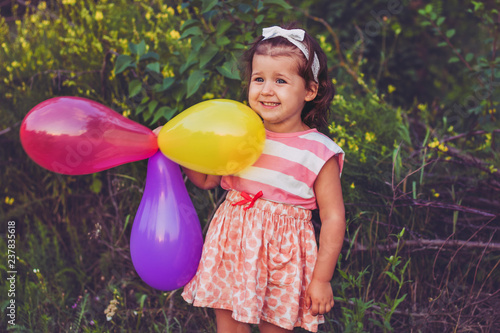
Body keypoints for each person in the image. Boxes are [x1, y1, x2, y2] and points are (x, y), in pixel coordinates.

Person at [171, 24, 345, 333]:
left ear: (310, 90)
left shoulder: (319, 151)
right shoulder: (240, 133)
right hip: (232, 247)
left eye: (280, 80)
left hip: (282, 258)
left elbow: (333, 217)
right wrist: (179, 151)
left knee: (275, 327)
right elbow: (209, 181)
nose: (266, 90)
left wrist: (322, 278)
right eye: (259, 79)